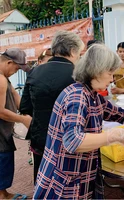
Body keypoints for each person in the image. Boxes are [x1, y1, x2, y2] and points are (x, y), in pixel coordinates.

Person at [33, 43, 124, 199]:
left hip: (81, 174)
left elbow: (121, 114)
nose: (112, 79)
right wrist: (113, 136)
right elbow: (73, 141)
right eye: (110, 73)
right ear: (96, 70)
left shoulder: (93, 96)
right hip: (65, 181)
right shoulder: (77, 97)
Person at [19, 30, 84, 183]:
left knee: (42, 181)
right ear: (73, 51)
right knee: (68, 185)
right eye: (80, 53)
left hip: (40, 138)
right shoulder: (79, 74)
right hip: (69, 140)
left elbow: (25, 107)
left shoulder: (34, 72)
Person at [0, 48, 32, 200]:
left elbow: (17, 99)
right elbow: (0, 111)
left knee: (6, 158)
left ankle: (4, 193)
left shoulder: (4, 78)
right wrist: (23, 119)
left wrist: (28, 112)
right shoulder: (0, 79)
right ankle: (2, 195)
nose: (16, 71)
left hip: (4, 130)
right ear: (9, 62)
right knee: (3, 158)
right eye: (17, 68)